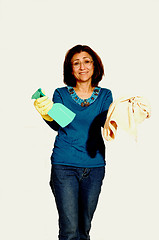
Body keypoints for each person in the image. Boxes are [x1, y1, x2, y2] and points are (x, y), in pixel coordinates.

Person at [33, 45, 113, 240]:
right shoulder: (60, 94)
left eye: (87, 61)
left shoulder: (105, 95)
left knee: (84, 229)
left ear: (95, 66)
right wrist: (46, 113)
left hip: (94, 166)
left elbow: (107, 126)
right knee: (69, 230)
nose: (82, 67)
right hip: (64, 165)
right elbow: (58, 125)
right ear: (70, 69)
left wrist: (126, 115)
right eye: (76, 63)